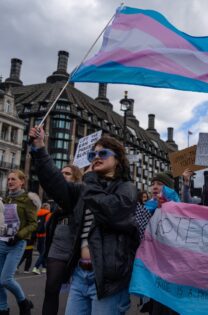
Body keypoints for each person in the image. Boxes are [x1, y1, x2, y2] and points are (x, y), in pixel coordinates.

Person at [29, 126, 138, 315]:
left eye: (103, 153)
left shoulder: (125, 188)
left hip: (107, 278)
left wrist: (90, 180)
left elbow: (111, 211)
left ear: (118, 160)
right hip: (80, 275)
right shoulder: (85, 189)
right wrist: (40, 148)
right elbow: (56, 183)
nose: (96, 157)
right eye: (92, 155)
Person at [133, 172, 180, 315]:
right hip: (151, 263)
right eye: (153, 184)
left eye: (160, 184)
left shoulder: (176, 206)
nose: (154, 187)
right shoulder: (146, 207)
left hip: (171, 266)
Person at [42, 165, 82, 315]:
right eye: (61, 173)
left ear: (76, 178)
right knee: (51, 288)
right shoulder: (58, 196)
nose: (63, 175)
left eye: (67, 173)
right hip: (57, 247)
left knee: (79, 293)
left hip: (77, 249)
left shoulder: (81, 193)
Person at [1, 170, 38, 315]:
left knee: (5, 279)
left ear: (22, 181)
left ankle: (24, 302)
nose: (10, 181)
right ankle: (3, 308)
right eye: (9, 179)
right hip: (2, 242)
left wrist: (18, 236)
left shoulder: (28, 201)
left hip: (17, 243)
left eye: (14, 179)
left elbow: (33, 224)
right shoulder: (5, 200)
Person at [32, 202, 51, 275]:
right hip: (45, 235)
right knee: (43, 252)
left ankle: (44, 267)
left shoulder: (37, 214)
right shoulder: (48, 214)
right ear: (48, 208)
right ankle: (36, 267)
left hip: (38, 235)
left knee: (41, 251)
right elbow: (48, 225)